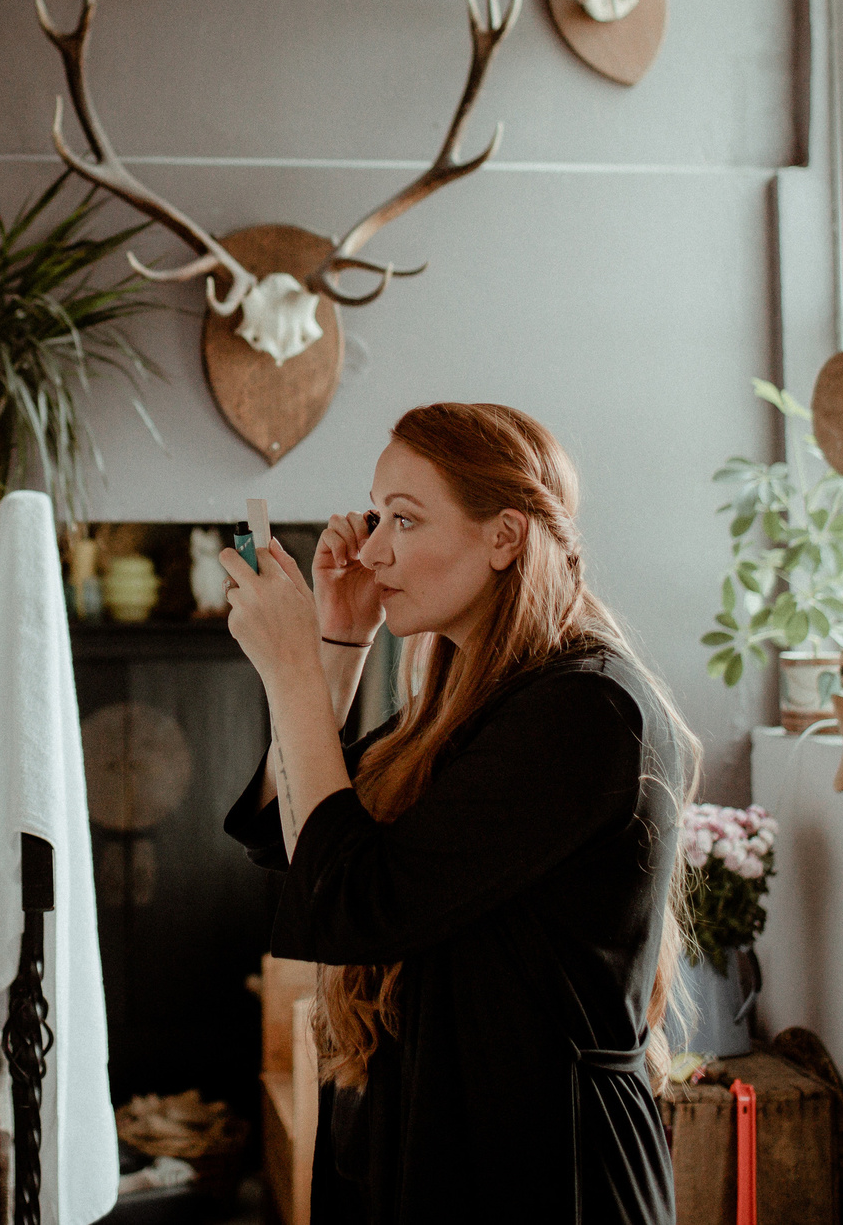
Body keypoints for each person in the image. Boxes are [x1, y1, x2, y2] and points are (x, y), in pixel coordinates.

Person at [219, 402, 694, 1225]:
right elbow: (300, 840)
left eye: (404, 519)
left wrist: (289, 669)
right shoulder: (471, 702)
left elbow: (350, 898)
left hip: (543, 1168)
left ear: (504, 536)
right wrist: (336, 646)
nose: (372, 550)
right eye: (375, 517)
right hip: (444, 1136)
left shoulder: (585, 709)